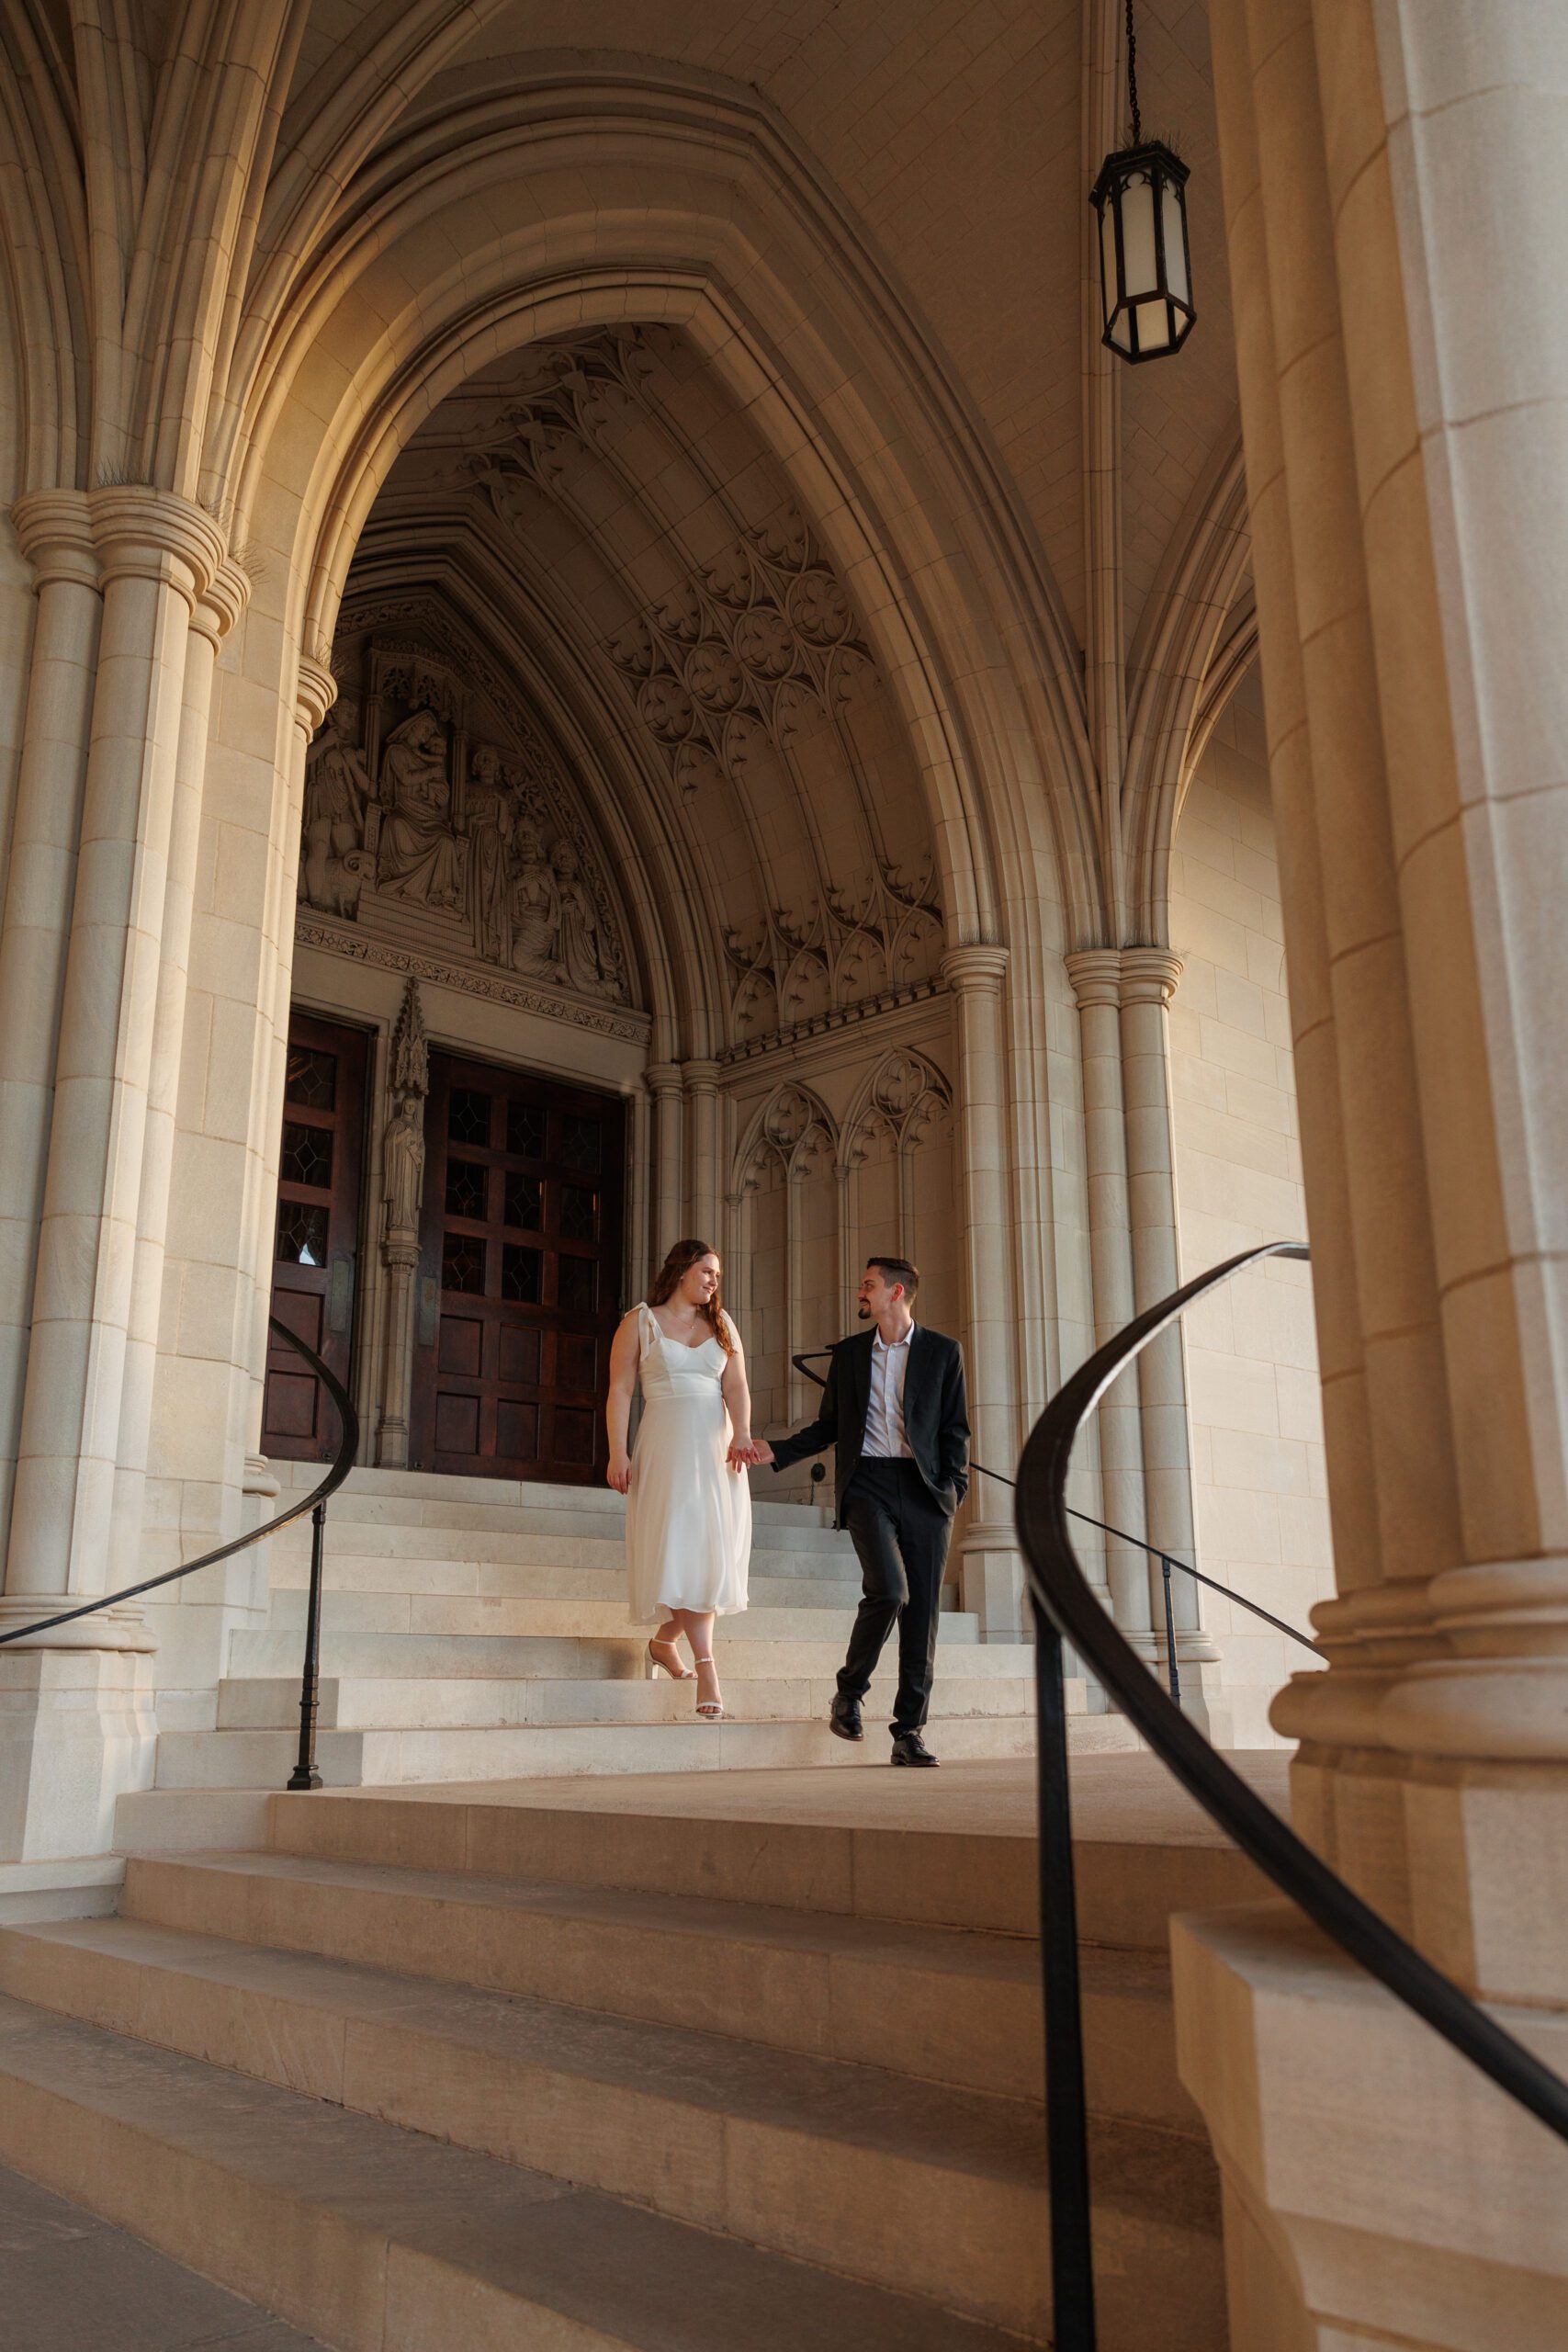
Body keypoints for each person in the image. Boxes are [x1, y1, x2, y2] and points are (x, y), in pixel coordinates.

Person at [752, 1255, 968, 1767]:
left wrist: (953, 1489)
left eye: (868, 1285)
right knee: (890, 1591)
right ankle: (849, 1693)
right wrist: (778, 1450)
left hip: (924, 1491)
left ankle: (908, 1733)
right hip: (868, 1483)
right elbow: (831, 1425)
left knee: (923, 1617)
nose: (860, 1293)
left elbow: (955, 1428)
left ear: (896, 1293)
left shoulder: (943, 1352)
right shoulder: (850, 1355)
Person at [605, 1239, 756, 1721]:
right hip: (666, 1446)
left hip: (717, 1451)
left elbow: (735, 1386)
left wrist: (745, 1434)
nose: (714, 1281)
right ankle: (707, 1669)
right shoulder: (640, 1322)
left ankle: (665, 1644)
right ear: (683, 1269)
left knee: (708, 1558)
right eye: (708, 1271)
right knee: (680, 1551)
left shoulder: (723, 1324)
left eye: (718, 1274)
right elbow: (621, 1390)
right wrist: (617, 1452)